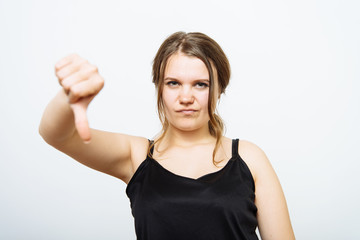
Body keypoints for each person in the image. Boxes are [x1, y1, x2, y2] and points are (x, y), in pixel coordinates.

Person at [39, 31, 295, 240]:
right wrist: (69, 97)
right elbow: (55, 135)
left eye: (201, 84)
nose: (186, 97)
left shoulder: (249, 159)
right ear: (159, 89)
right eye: (173, 83)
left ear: (219, 90)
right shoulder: (137, 155)